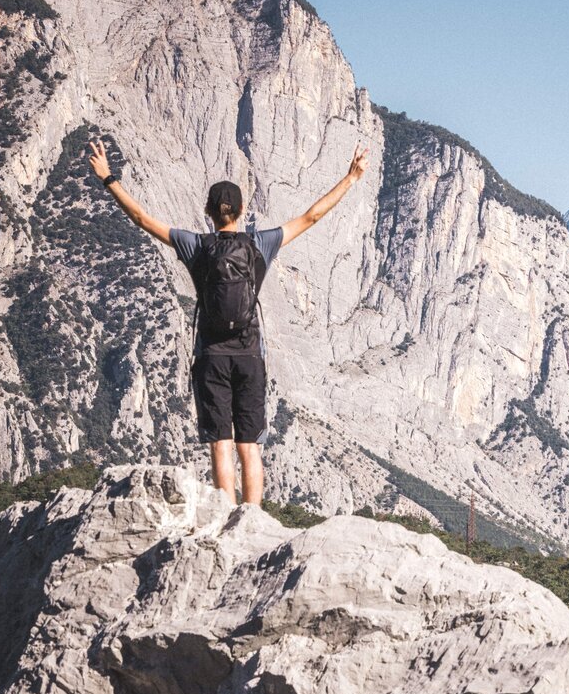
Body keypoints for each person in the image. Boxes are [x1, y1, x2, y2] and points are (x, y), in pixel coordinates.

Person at [87, 139, 369, 505]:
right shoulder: (260, 244)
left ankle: (225, 513)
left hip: (212, 357)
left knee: (220, 442)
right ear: (241, 210)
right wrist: (351, 178)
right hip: (250, 355)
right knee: (249, 446)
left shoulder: (195, 246)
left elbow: (141, 218)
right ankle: (251, 519)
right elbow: (312, 216)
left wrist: (108, 178)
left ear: (208, 211)